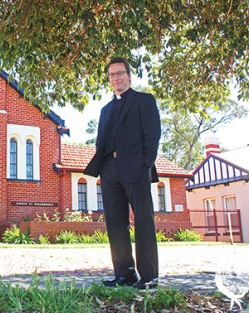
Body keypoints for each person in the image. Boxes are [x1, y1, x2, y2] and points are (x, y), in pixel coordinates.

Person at [84, 57, 161, 289]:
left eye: (120, 73)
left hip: (137, 169)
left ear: (129, 75)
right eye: (112, 75)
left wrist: (146, 164)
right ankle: (124, 274)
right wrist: (104, 169)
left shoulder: (144, 101)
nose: (116, 78)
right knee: (115, 223)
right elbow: (100, 141)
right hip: (110, 171)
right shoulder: (106, 110)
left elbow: (153, 134)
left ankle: (149, 277)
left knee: (144, 222)